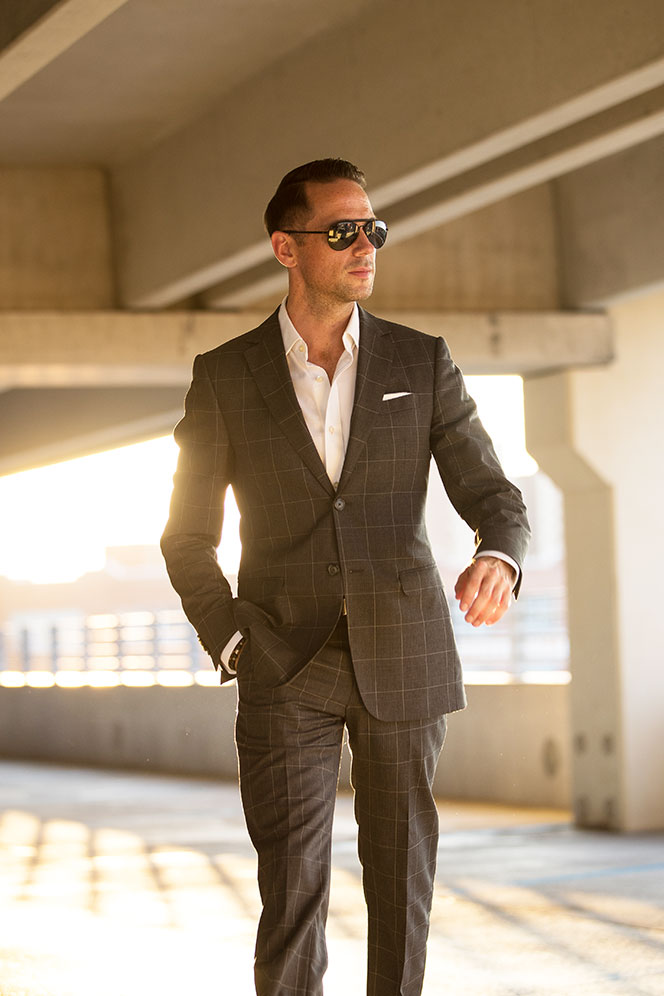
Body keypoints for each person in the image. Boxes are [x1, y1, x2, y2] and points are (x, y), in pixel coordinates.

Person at [161, 158, 530, 996]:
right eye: (342, 231)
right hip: (283, 660)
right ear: (286, 247)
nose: (365, 246)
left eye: (373, 229)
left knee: (403, 885)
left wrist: (498, 556)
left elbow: (492, 493)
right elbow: (186, 535)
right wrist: (233, 640)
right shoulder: (226, 375)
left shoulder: (420, 361)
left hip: (404, 651)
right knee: (291, 892)